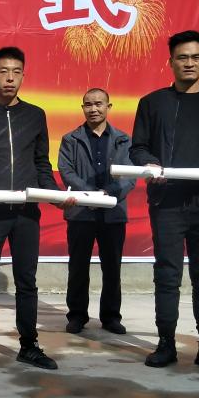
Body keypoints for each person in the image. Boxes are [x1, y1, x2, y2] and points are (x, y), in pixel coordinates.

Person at [130, 30, 199, 374]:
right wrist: (150, 164)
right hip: (168, 203)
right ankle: (165, 344)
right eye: (183, 57)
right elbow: (138, 148)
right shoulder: (153, 103)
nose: (189, 63)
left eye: (196, 57)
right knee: (167, 274)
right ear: (171, 62)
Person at [0, 46, 71, 371]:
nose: (10, 78)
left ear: (23, 76)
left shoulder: (35, 115)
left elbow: (41, 163)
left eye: (16, 72)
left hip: (26, 213)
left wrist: (56, 196)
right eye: (3, 71)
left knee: (26, 281)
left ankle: (29, 345)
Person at [58, 88, 135, 336]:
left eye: (99, 104)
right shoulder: (71, 139)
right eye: (88, 105)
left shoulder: (124, 140)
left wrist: (108, 195)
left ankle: (111, 317)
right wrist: (91, 195)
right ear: (83, 108)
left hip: (113, 213)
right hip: (81, 212)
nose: (94, 109)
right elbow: (66, 171)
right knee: (78, 267)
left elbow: (130, 176)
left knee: (112, 268)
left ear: (108, 107)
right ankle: (77, 315)